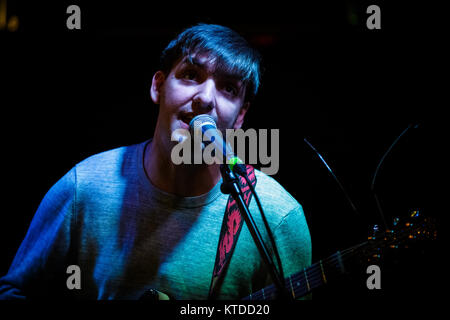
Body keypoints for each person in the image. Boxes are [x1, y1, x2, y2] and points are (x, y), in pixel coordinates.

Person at [0, 23, 311, 300]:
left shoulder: (276, 216)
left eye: (228, 88)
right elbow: (16, 290)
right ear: (158, 86)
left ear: (241, 115)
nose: (205, 98)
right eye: (191, 75)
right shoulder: (84, 188)